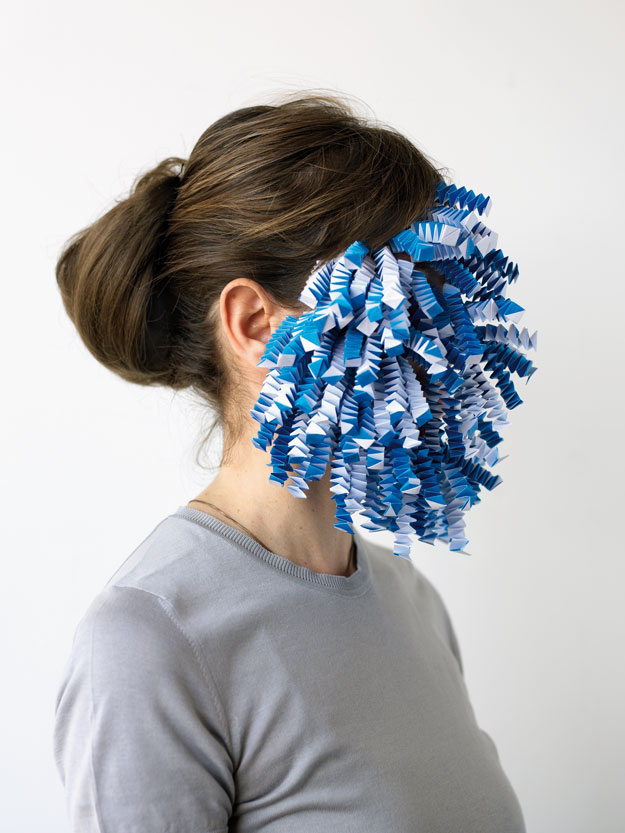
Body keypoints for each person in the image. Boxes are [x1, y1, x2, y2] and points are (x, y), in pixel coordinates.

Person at [52, 92, 527, 832]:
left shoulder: (411, 599)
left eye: (446, 296)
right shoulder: (148, 638)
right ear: (253, 323)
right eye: (402, 301)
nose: (447, 346)